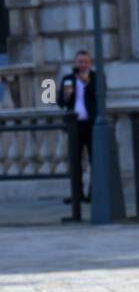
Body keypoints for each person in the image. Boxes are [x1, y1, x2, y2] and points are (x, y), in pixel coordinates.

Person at [57, 50, 96, 203]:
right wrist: (67, 96)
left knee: (95, 160)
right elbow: (61, 102)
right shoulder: (68, 79)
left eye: (85, 62)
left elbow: (101, 95)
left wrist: (87, 84)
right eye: (80, 62)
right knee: (75, 161)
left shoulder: (96, 78)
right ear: (75, 63)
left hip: (92, 125)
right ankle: (77, 194)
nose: (82, 65)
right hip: (75, 126)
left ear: (90, 63)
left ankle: (94, 193)